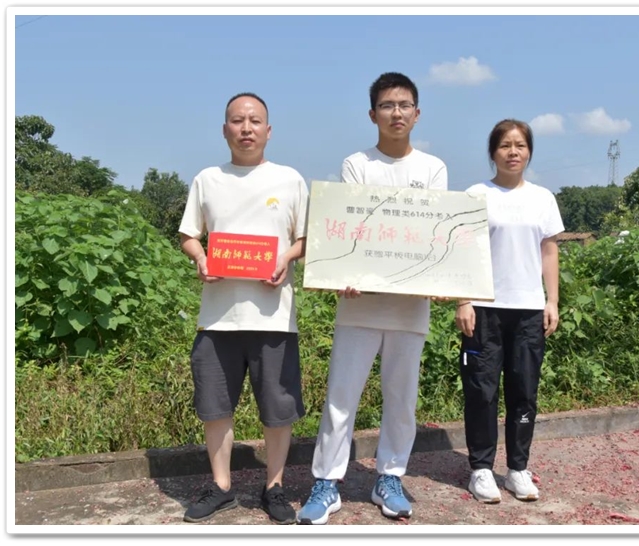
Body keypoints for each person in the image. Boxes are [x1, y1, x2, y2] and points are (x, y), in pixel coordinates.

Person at [297, 72, 448, 525]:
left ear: (417, 114)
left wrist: (441, 277)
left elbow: (434, 232)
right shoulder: (357, 164)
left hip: (410, 307)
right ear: (372, 114)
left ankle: (390, 477)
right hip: (358, 304)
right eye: (387, 105)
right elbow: (352, 226)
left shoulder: (433, 169)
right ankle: (327, 482)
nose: (396, 113)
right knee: (341, 397)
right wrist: (344, 271)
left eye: (404, 105)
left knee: (401, 399)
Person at [177, 92, 308, 524]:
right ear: (224, 129)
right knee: (215, 406)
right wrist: (200, 258)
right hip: (217, 317)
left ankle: (275, 487)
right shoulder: (207, 179)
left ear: (269, 130)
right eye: (237, 120)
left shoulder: (290, 180)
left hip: (274, 317)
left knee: (278, 408)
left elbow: (306, 238)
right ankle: (221, 486)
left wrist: (286, 259)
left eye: (254, 121)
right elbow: (189, 235)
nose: (246, 128)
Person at [456, 119, 564, 504]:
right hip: (484, 309)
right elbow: (462, 251)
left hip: (529, 310)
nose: (513, 152)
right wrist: (463, 300)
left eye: (520, 145)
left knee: (524, 391)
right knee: (481, 390)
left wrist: (552, 300)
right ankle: (481, 469)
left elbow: (549, 251)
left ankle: (518, 468)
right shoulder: (476, 195)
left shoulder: (542, 198)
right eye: (505, 145)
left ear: (529, 151)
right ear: (493, 152)